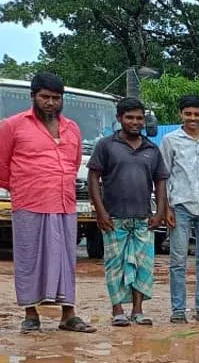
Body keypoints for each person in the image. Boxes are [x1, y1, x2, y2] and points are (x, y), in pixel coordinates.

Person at [0, 72, 96, 334]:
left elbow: (74, 163)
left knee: (67, 259)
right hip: (29, 202)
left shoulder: (72, 128)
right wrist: (23, 186)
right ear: (33, 97)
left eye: (56, 98)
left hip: (65, 203)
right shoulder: (13, 125)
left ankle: (69, 315)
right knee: (29, 258)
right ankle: (31, 315)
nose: (51, 103)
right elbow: (2, 166)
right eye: (45, 97)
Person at [86, 97, 169, 327]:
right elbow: (94, 178)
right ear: (119, 119)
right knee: (115, 265)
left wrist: (160, 211)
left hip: (143, 218)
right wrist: (100, 211)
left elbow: (160, 181)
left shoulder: (152, 149)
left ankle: (138, 310)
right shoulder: (106, 145)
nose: (135, 122)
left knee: (142, 266)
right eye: (130, 117)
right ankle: (117, 311)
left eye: (139, 118)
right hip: (114, 217)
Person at [162, 94, 199, 324]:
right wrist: (166, 207)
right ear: (181, 114)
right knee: (178, 259)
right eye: (188, 114)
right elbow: (164, 175)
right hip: (180, 205)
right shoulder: (170, 140)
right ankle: (178, 309)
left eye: (197, 114)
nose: (193, 118)